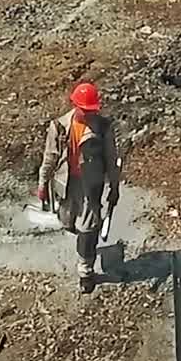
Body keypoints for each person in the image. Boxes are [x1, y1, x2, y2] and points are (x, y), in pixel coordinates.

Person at [37, 81, 120, 294]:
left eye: (91, 110)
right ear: (75, 106)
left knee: (88, 228)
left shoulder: (102, 128)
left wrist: (114, 186)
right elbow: (50, 157)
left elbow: (111, 159)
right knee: (69, 222)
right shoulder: (60, 127)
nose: (88, 114)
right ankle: (86, 247)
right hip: (67, 183)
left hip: (91, 185)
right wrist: (43, 184)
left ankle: (86, 271)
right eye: (85, 110)